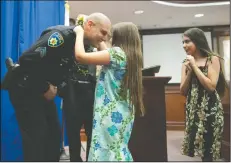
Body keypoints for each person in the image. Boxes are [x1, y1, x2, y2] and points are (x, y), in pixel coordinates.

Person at [3, 12, 111, 161]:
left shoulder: (81, 43)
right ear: (90, 25)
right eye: (103, 32)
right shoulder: (61, 36)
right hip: (25, 88)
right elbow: (28, 59)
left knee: (53, 139)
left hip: (40, 90)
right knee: (37, 141)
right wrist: (44, 87)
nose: (104, 38)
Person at [73, 22, 145, 161]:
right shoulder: (129, 56)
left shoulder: (116, 54)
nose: (107, 39)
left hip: (109, 112)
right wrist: (99, 41)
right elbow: (105, 51)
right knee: (117, 147)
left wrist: (79, 32)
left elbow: (80, 56)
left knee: (106, 148)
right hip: (122, 112)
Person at [61, 14, 111, 162]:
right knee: (73, 132)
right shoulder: (72, 42)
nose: (104, 37)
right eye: (102, 32)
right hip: (72, 92)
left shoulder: (94, 45)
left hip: (91, 91)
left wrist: (98, 38)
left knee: (92, 132)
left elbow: (107, 54)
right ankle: (75, 159)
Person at [180, 28, 228, 162]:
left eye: (187, 41)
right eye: (183, 42)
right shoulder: (185, 63)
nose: (184, 45)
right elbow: (183, 91)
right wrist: (189, 72)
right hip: (193, 110)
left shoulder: (212, 59)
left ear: (198, 40)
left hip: (210, 110)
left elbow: (211, 87)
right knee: (199, 150)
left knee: (209, 151)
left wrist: (195, 67)